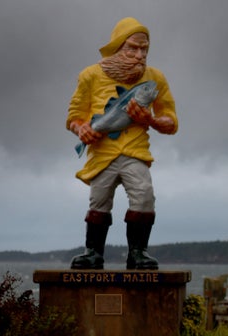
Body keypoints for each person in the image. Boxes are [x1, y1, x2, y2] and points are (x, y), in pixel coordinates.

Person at [66, 17, 177, 270]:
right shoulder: (90, 75)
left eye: (144, 49)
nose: (140, 55)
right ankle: (93, 252)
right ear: (117, 46)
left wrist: (150, 119)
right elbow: (73, 116)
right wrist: (82, 129)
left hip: (136, 153)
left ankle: (138, 253)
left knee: (144, 196)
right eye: (133, 48)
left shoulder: (155, 79)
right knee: (99, 201)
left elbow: (171, 121)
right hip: (102, 154)